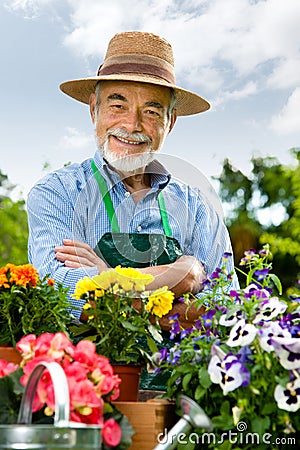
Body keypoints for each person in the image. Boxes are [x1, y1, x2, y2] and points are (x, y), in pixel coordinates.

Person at [27, 31, 239, 330]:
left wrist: (104, 275)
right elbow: (60, 291)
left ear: (171, 122)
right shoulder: (57, 193)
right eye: (118, 106)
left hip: (176, 374)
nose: (132, 124)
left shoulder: (198, 207)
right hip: (86, 373)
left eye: (151, 111)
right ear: (94, 109)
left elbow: (226, 306)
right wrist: (185, 275)